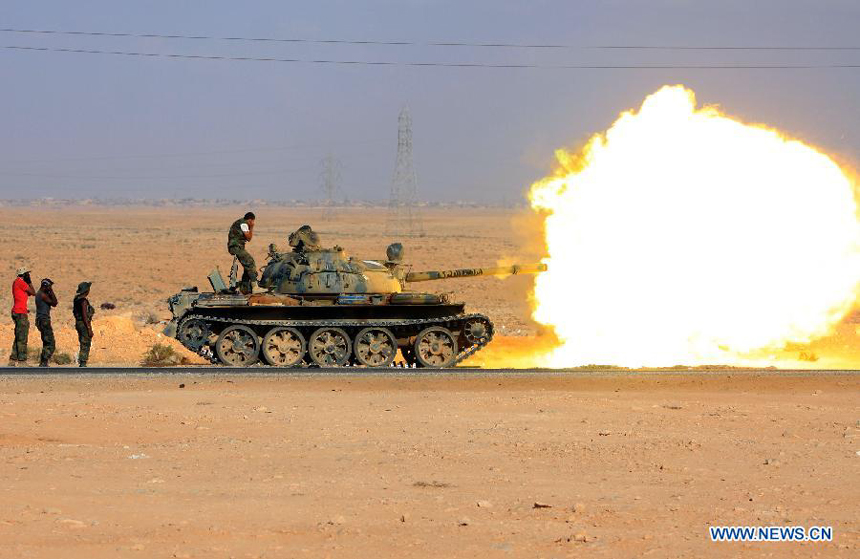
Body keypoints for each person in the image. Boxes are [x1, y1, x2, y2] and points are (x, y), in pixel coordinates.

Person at [9, 267, 36, 366]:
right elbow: (33, 292)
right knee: (22, 336)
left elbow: (29, 294)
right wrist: (29, 281)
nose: (29, 276)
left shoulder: (17, 282)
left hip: (18, 311)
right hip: (20, 313)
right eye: (27, 274)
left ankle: (13, 359)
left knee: (18, 335)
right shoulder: (21, 282)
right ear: (24, 275)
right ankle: (22, 360)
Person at [227, 212, 259, 293]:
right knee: (250, 263)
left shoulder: (241, 222)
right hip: (236, 247)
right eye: (252, 221)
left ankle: (244, 287)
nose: (253, 223)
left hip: (237, 247)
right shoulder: (244, 224)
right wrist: (251, 227)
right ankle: (255, 287)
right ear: (250, 220)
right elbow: (248, 238)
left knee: (247, 266)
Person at [35, 278, 58, 367]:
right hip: (44, 320)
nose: (50, 288)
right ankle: (44, 361)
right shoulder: (42, 295)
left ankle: (43, 362)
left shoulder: (39, 294)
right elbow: (54, 303)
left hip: (40, 320)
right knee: (51, 343)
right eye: (49, 286)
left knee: (46, 341)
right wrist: (51, 291)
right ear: (45, 286)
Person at [72, 281, 94, 367]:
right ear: (86, 291)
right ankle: (83, 362)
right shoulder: (83, 301)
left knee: (82, 341)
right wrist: (89, 328)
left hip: (78, 322)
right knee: (85, 342)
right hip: (83, 323)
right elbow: (85, 315)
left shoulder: (76, 299)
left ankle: (82, 361)